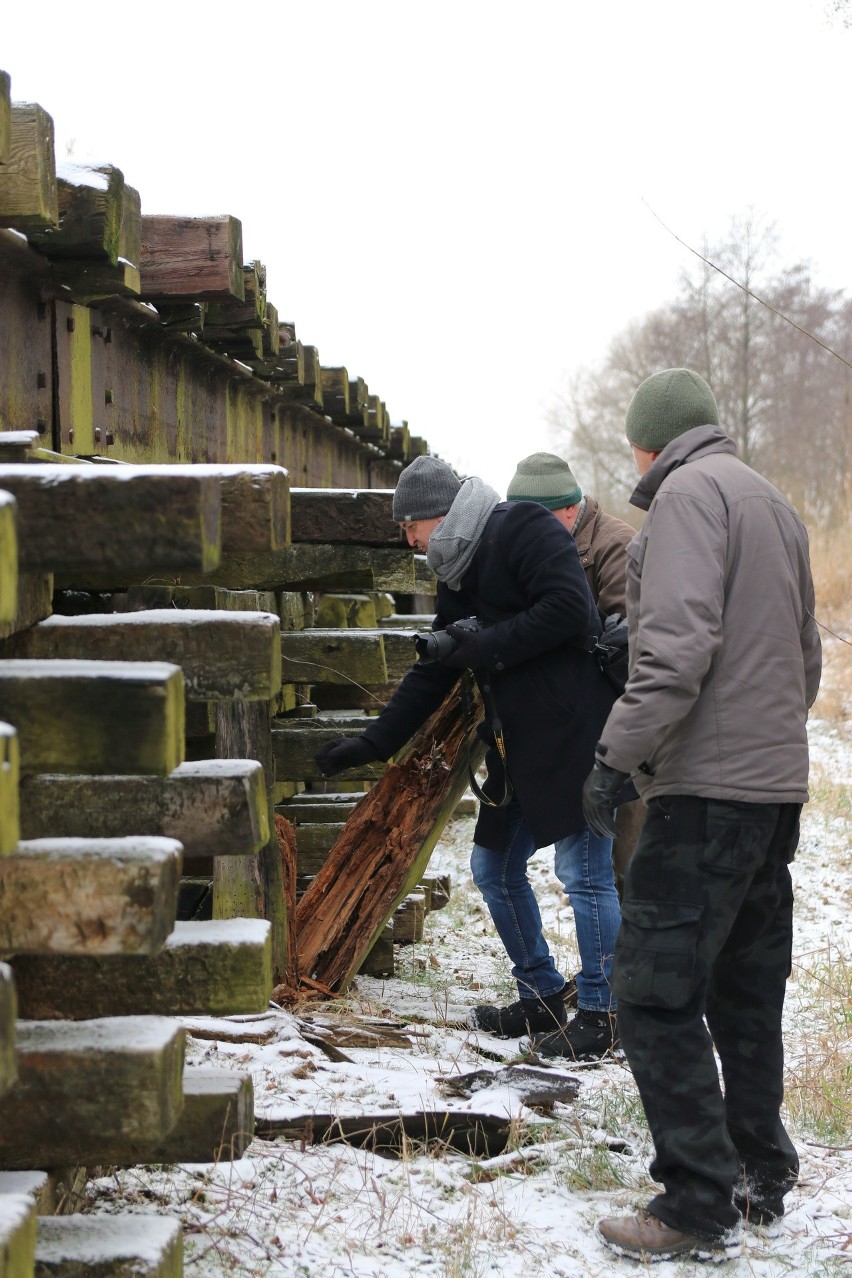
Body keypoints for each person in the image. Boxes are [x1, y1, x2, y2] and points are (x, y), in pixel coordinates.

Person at [581, 369, 822, 1262]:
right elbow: (804, 660)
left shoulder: (684, 497)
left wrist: (614, 757)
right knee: (745, 992)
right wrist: (762, 752)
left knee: (652, 990)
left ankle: (694, 1202)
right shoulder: (773, 503)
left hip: (702, 798)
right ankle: (760, 1173)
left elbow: (674, 651)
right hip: (770, 796)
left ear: (650, 441)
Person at [315, 453, 620, 1060]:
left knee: (584, 877)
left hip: (576, 735)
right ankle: (541, 993)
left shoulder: (523, 528)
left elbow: (570, 611)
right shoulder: (454, 570)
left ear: (439, 513)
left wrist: (478, 644)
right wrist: (374, 743)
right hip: (520, 744)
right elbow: (437, 668)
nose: (409, 539)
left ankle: (602, 1012)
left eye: (410, 526)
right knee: (494, 868)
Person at [507, 452, 644, 893]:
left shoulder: (616, 546)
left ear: (570, 507)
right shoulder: (539, 546)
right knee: (590, 870)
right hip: (574, 727)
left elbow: (629, 650)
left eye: (539, 519)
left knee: (629, 865)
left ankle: (627, 958)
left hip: (625, 724)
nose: (527, 532)